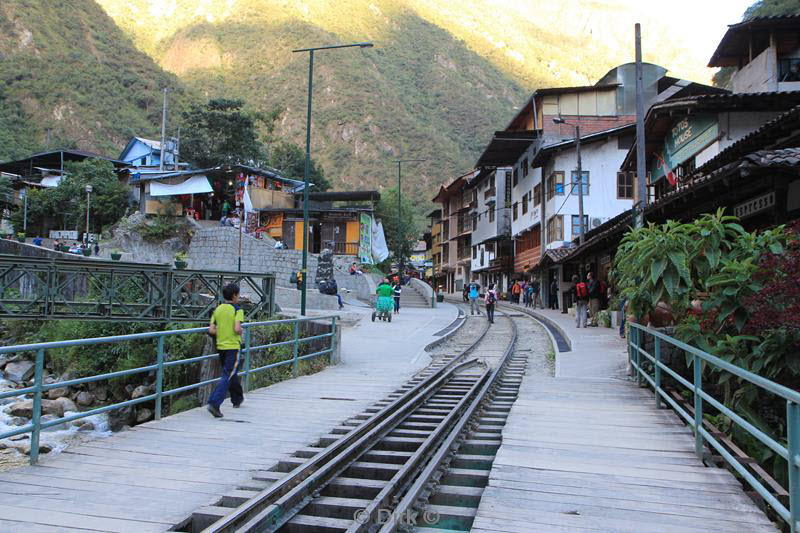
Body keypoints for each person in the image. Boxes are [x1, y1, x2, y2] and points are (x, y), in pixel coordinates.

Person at [207, 283, 245, 418]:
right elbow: (237, 329)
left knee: (231, 373)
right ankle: (214, 403)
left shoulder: (217, 309)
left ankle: (237, 398)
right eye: (238, 295)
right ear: (234, 295)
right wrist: (240, 331)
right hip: (232, 347)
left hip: (220, 347)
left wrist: (222, 330)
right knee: (227, 375)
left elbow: (211, 330)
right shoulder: (237, 310)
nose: (239, 297)